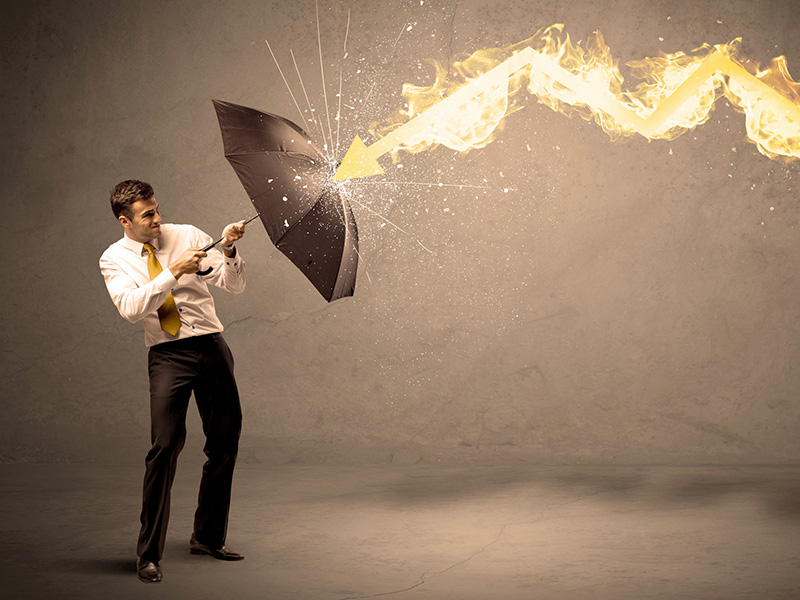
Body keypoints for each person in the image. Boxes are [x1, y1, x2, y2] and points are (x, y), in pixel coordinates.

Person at [99, 180, 248, 583]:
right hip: (168, 355)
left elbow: (233, 284)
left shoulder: (190, 236)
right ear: (124, 220)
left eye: (157, 209)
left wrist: (228, 250)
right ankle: (147, 554)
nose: (158, 219)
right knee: (164, 447)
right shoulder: (113, 258)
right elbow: (131, 309)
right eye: (148, 215)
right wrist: (173, 272)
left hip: (212, 347)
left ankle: (208, 538)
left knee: (224, 441)